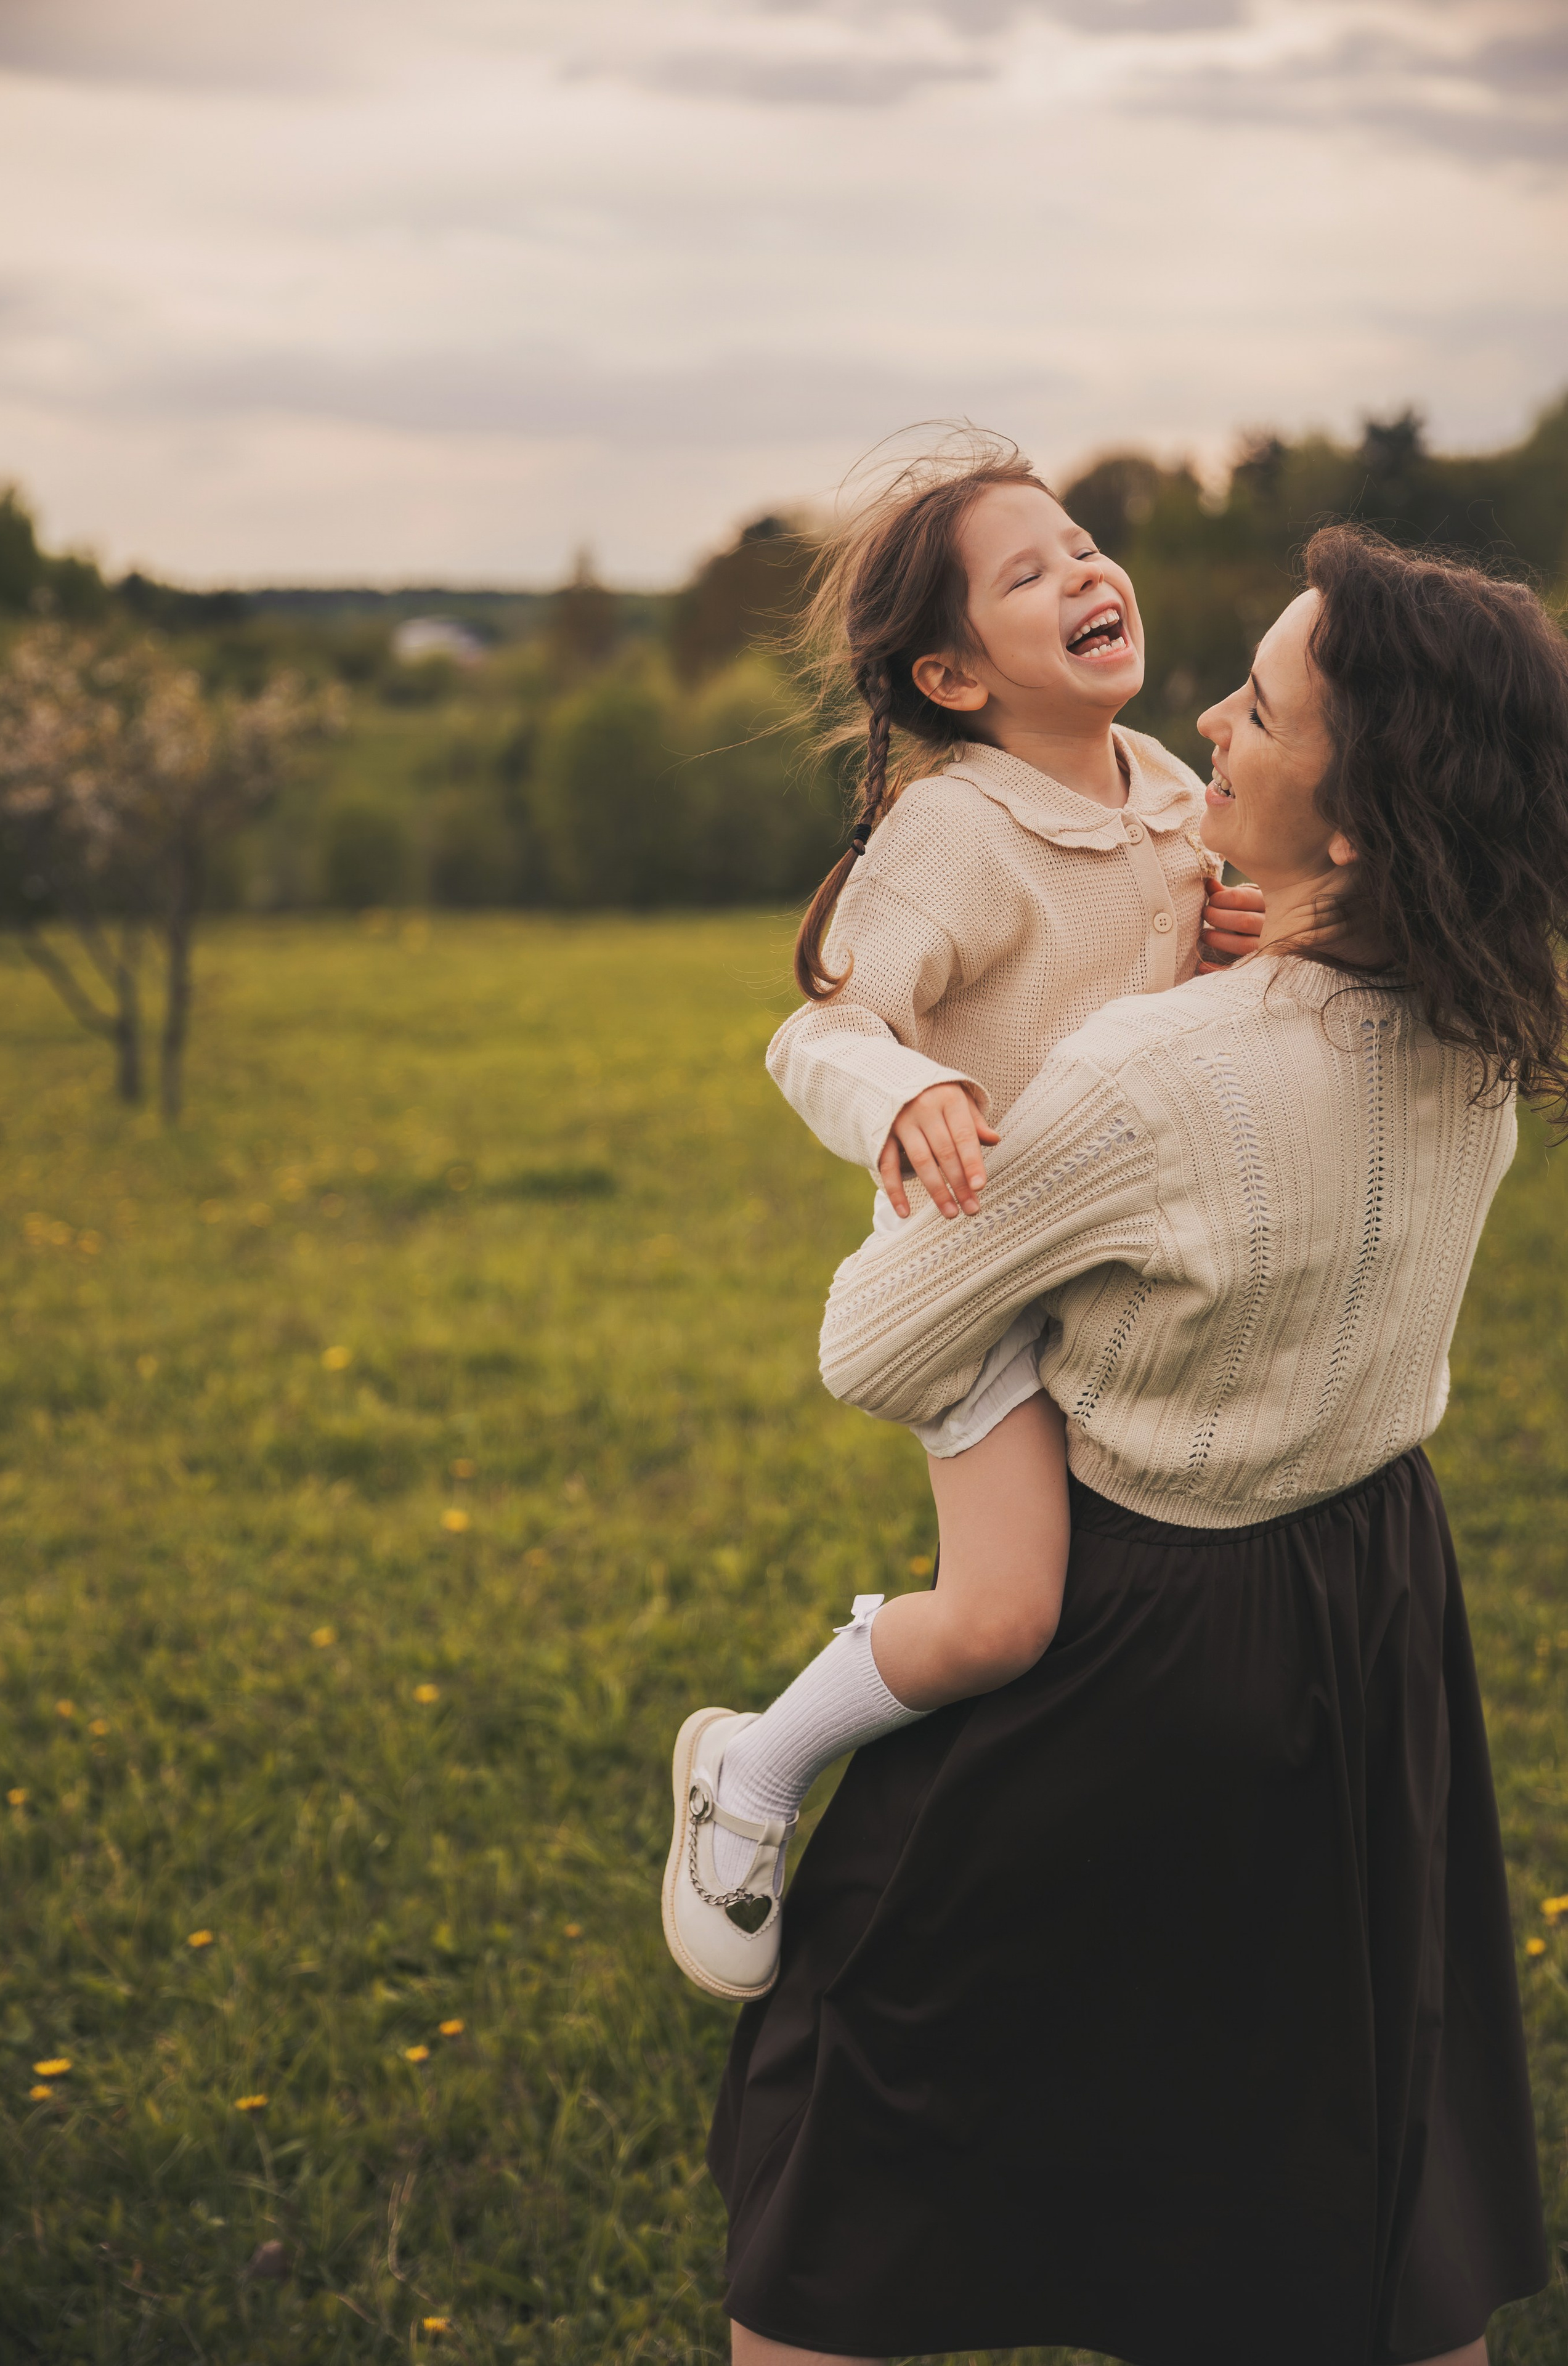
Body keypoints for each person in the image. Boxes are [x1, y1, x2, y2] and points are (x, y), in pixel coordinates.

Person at [709, 524, 1567, 2366]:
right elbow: (841, 1009)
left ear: (1358, 822)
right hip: (1374, 1596)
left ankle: (751, 1774)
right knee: (1346, 2111)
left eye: (1258, 707)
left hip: (1142, 1626)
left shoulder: (1157, 1074)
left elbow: (877, 1341)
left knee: (876, 2073)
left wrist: (976, 1200)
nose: (1209, 721)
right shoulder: (1488, 1024)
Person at [661, 434, 1261, 2003]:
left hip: (1121, 1257)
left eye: (1077, 544)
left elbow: (1164, 1025)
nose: (1082, 572)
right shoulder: (954, 833)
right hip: (976, 1270)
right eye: (1027, 573)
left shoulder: (1175, 799)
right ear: (949, 672)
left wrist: (1237, 946)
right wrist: (904, 1095)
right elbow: (821, 1027)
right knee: (1001, 1617)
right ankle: (752, 1767)